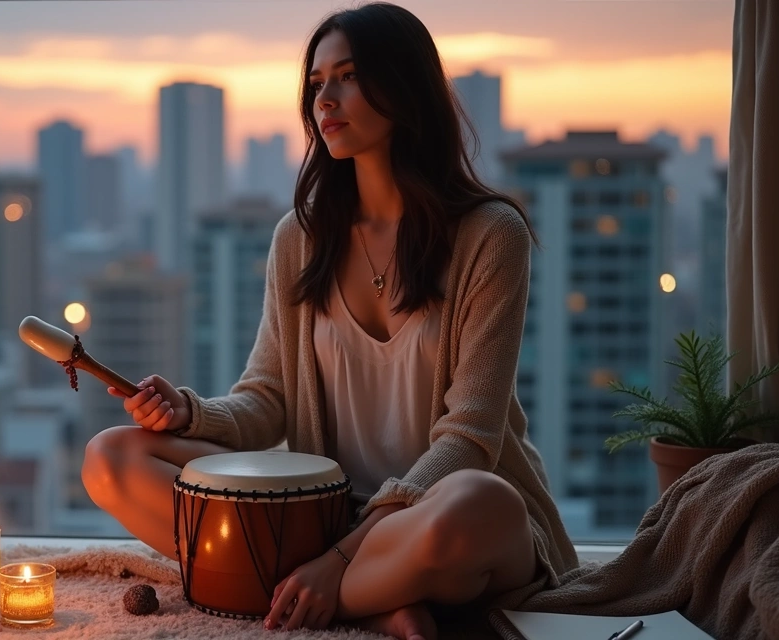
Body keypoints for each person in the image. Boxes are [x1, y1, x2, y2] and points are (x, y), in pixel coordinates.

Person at [82, 3, 577, 638]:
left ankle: (328, 593)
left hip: (435, 516)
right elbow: (268, 401)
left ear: (403, 87)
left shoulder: (489, 234)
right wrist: (190, 411)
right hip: (326, 517)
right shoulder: (300, 239)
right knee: (112, 458)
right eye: (317, 84)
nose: (326, 99)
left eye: (346, 76)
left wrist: (338, 559)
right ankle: (376, 599)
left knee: (480, 503)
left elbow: (470, 441)